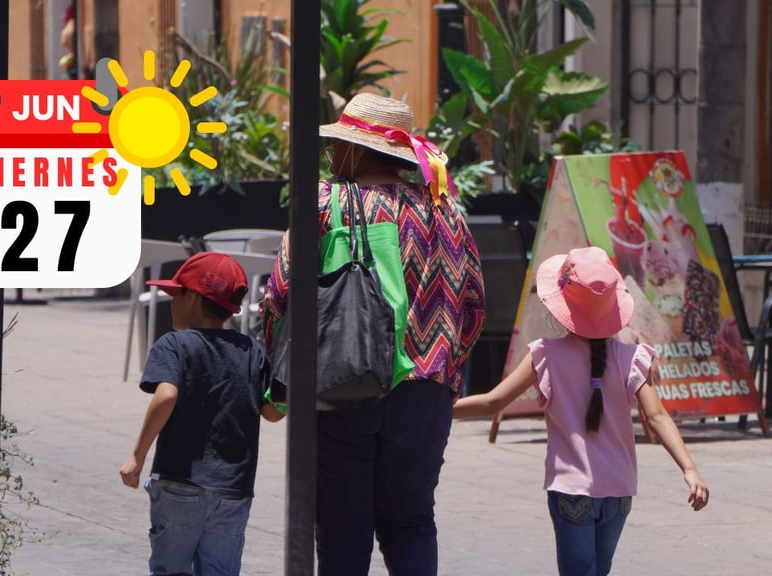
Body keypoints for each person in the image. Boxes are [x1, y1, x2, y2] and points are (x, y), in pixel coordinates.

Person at [260, 92, 486, 575]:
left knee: (343, 528)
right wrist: (444, 370)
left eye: (336, 145)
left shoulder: (327, 201)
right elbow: (473, 304)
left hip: (346, 383)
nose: (330, 155)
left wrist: (273, 381)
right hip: (425, 393)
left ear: (358, 151)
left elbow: (281, 290)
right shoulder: (444, 209)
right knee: (411, 522)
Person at [453, 246, 708, 576]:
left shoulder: (545, 354)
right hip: (619, 491)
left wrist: (438, 410)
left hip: (571, 490)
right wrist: (689, 469)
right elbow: (657, 417)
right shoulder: (633, 357)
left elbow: (493, 402)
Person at [119, 251, 284, 576]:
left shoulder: (174, 345)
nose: (169, 301)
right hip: (233, 489)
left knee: (170, 569)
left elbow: (166, 395)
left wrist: (137, 456)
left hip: (180, 483)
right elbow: (271, 413)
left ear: (193, 298)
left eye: (174, 294)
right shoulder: (251, 350)